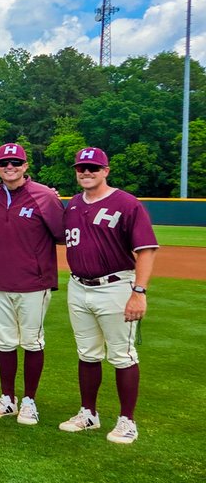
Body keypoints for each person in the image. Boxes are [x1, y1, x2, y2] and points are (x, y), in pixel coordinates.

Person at [58, 147, 157, 445]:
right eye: (81, 168)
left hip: (115, 286)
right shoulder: (73, 205)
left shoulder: (126, 203)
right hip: (79, 286)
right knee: (87, 353)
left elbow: (146, 250)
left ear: (106, 171)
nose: (86, 172)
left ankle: (127, 420)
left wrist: (139, 292)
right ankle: (88, 413)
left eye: (93, 168)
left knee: (122, 355)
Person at [0, 143, 64, 425]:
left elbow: (62, 234)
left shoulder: (44, 196)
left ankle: (29, 400)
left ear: (26, 166)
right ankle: (7, 398)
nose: (10, 167)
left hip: (33, 282)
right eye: (4, 163)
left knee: (31, 342)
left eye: (16, 162)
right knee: (4, 342)